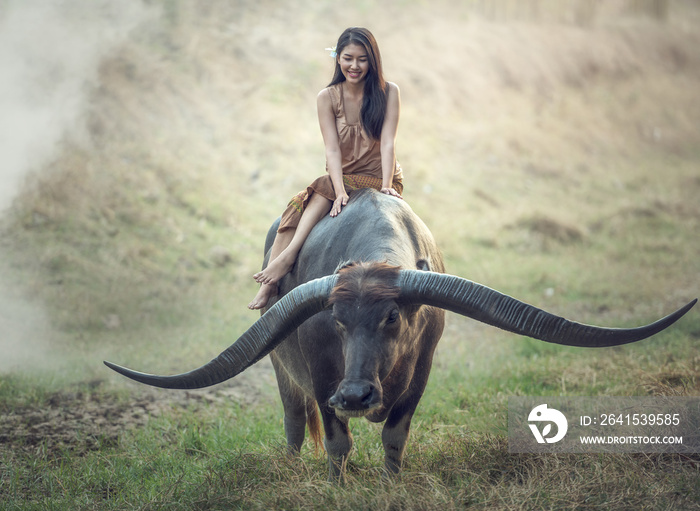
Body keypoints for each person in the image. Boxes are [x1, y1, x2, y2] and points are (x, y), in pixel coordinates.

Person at [248, 27, 404, 310]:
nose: (354, 66)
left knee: (327, 191)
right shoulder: (327, 97)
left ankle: (285, 260)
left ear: (373, 60)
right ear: (338, 59)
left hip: (379, 174)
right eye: (347, 58)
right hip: (341, 177)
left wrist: (386, 184)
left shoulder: (389, 91)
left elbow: (388, 143)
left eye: (362, 59)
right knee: (315, 195)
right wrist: (341, 190)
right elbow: (332, 149)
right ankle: (278, 270)